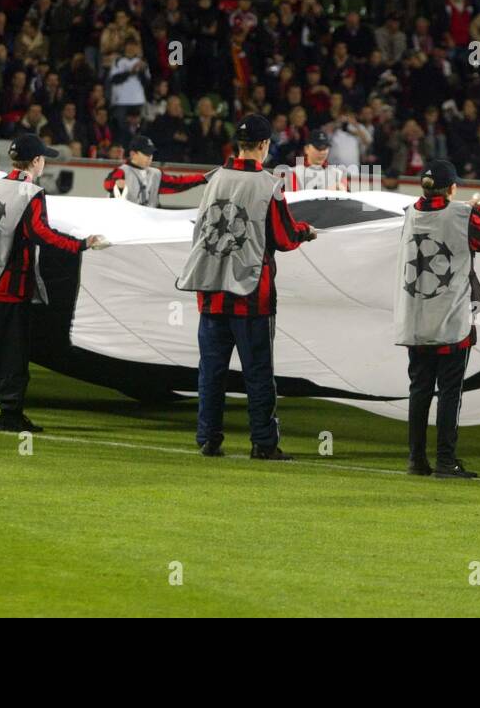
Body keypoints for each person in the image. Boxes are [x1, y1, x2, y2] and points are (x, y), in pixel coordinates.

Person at [176, 114, 317, 460]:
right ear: (265, 145)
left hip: (210, 290)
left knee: (211, 372)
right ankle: (263, 443)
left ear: (238, 144)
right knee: (257, 374)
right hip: (252, 294)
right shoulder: (269, 185)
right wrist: (304, 231)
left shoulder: (214, 179)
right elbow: (282, 238)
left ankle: (208, 439)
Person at [0, 134, 109, 432]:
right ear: (36, 161)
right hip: (11, 287)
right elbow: (40, 232)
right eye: (43, 158)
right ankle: (11, 414)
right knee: (12, 353)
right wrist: (80, 244)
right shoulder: (30, 193)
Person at [393, 159, 480, 478]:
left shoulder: (409, 214)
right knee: (450, 393)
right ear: (453, 188)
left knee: (419, 390)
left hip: (415, 319)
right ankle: (446, 459)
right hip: (451, 320)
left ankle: (416, 459)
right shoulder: (462, 215)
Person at [103, 135, 208, 206]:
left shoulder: (156, 174)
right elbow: (108, 184)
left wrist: (205, 178)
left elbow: (178, 183)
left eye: (151, 153)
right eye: (146, 153)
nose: (150, 157)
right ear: (133, 154)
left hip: (149, 222)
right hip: (127, 222)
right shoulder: (122, 171)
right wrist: (116, 184)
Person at [284, 129, 349, 191]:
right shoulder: (293, 173)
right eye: (318, 148)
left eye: (325, 148)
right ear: (306, 149)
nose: (322, 152)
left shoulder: (337, 174)